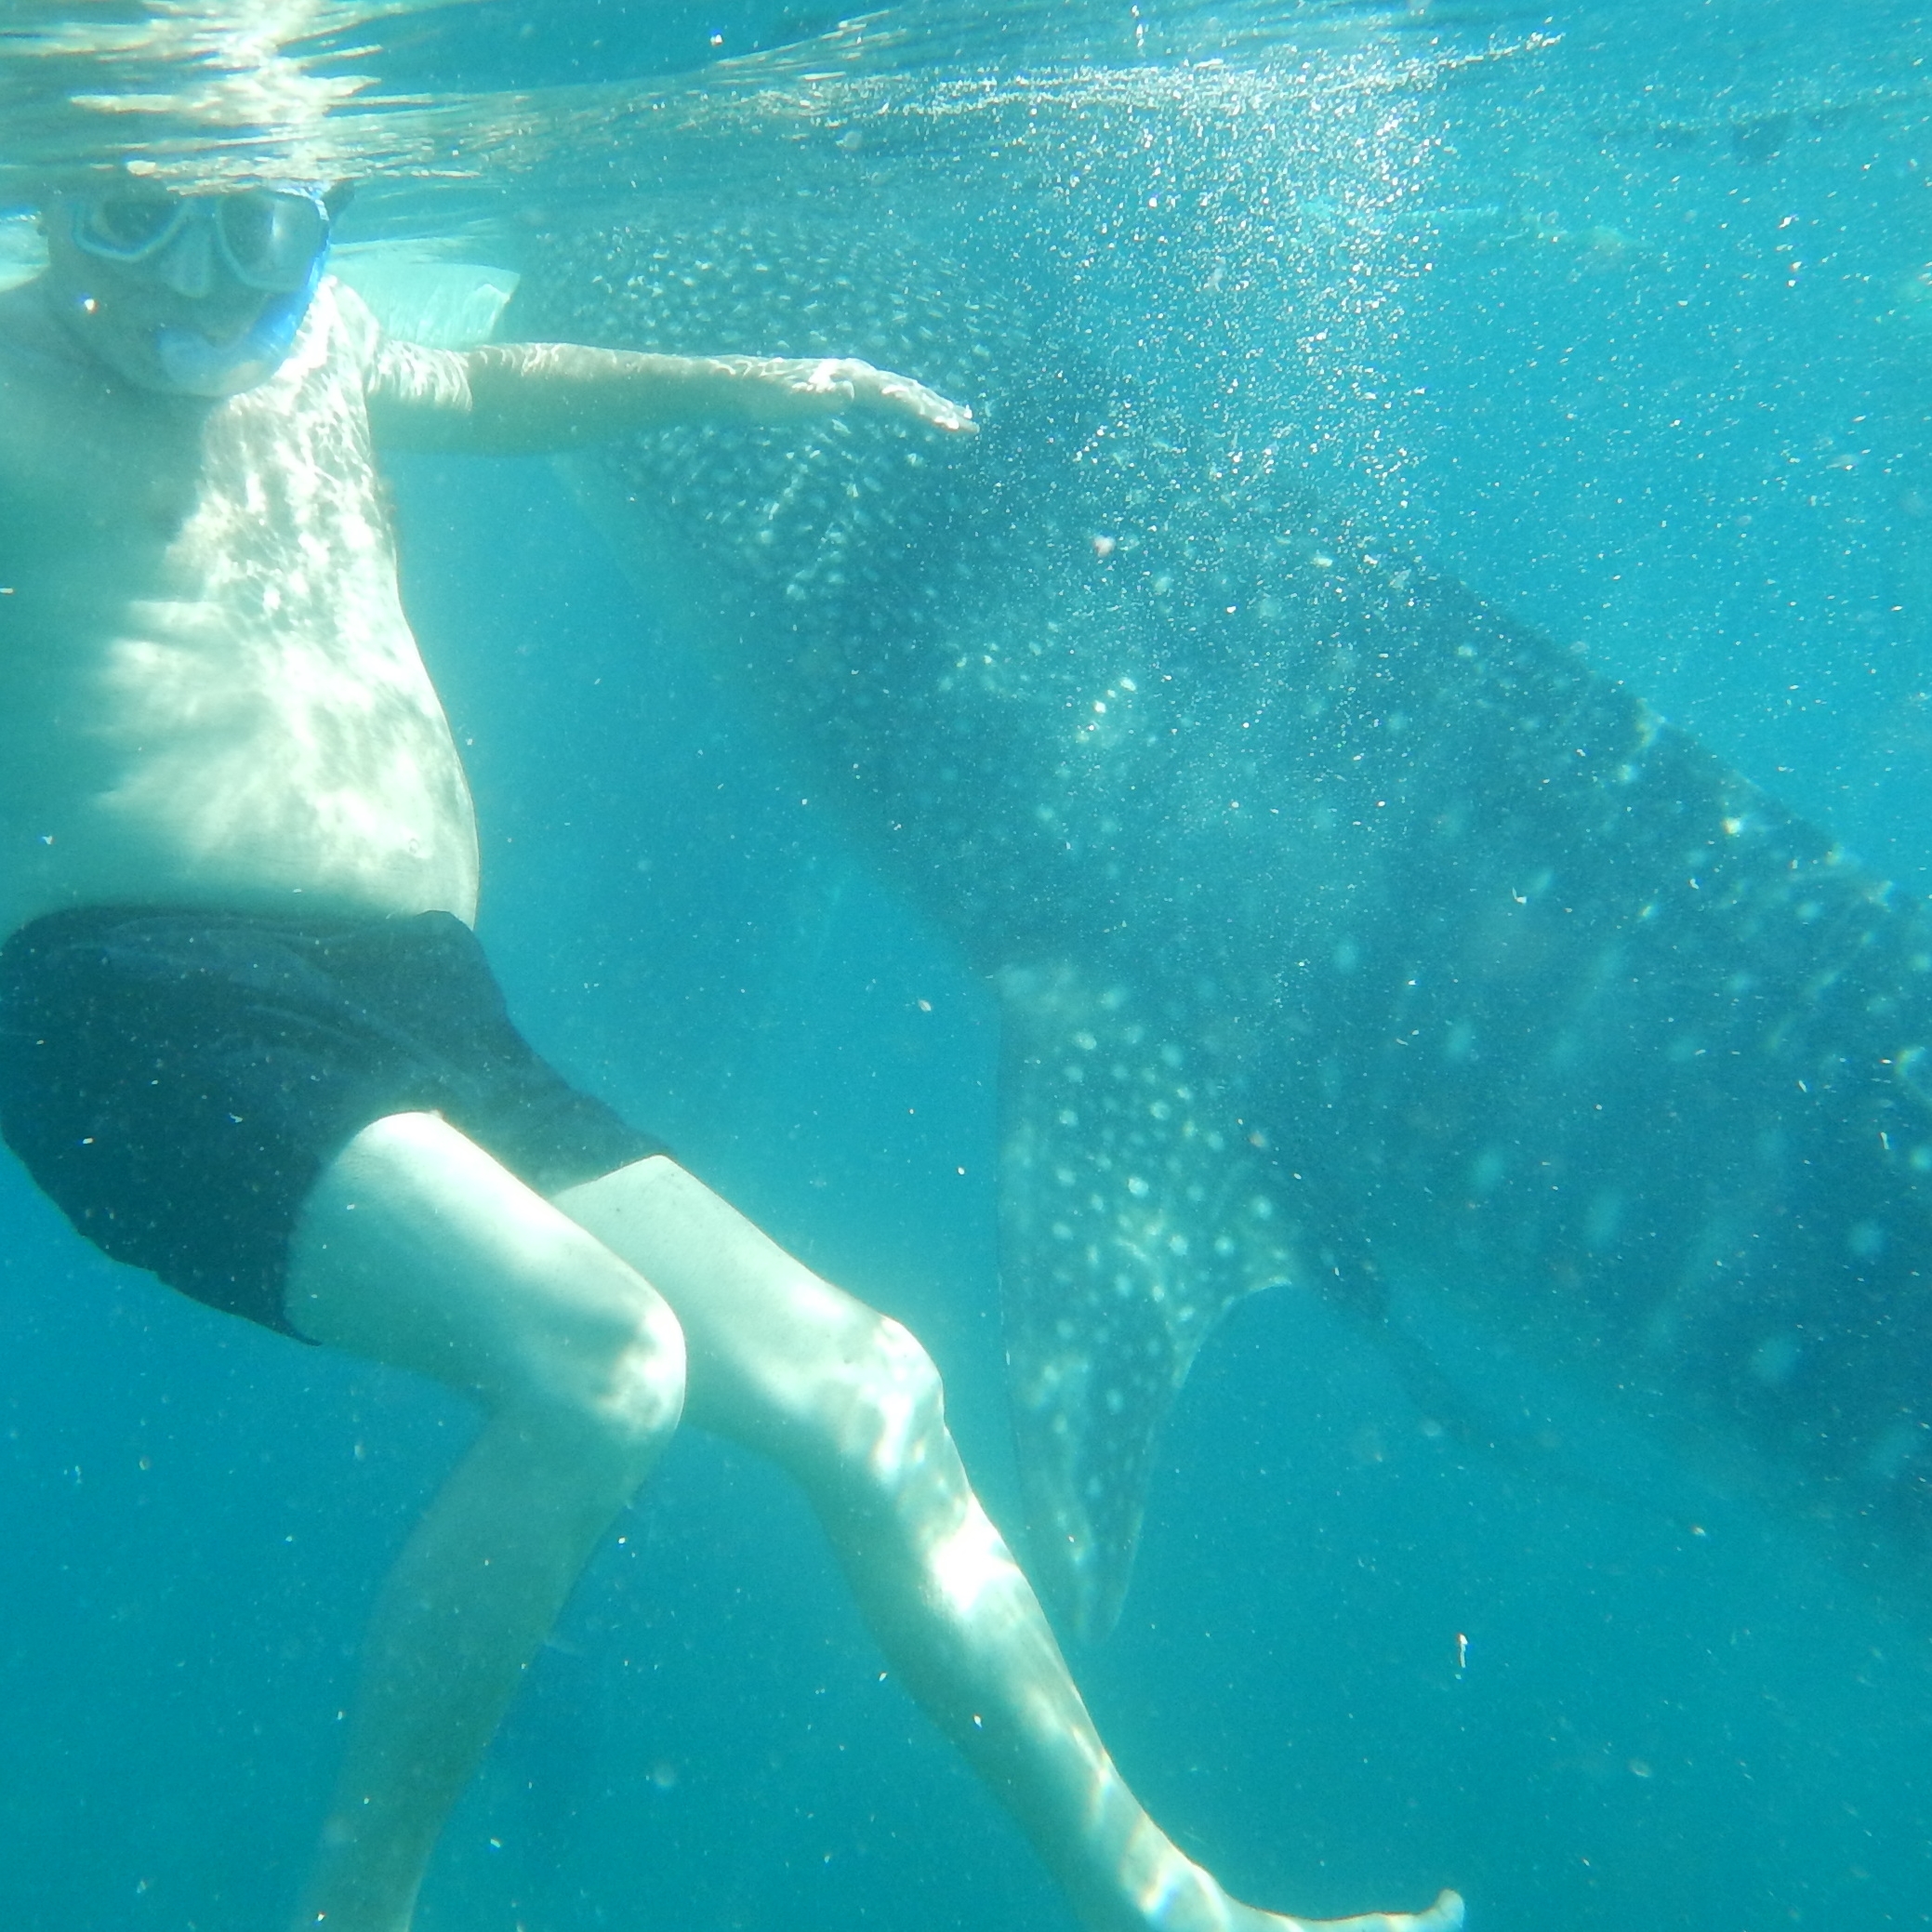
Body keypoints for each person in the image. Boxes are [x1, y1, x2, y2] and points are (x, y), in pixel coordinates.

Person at [0, 177, 1462, 1932]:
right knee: (599, 1364)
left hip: (426, 1008)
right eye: (132, 220)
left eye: (250, 230)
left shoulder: (316, 346)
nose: (194, 279)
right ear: (45, 199)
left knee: (873, 1392)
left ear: (318, 214)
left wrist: (756, 386)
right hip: (142, 1011)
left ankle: (1174, 1912)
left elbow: (470, 385)